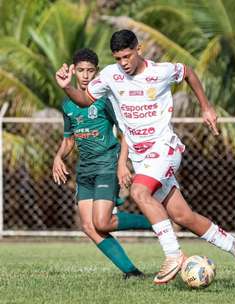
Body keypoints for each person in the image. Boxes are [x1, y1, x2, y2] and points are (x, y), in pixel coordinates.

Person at [55, 30, 235, 285]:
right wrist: (67, 87)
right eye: (118, 58)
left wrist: (206, 106)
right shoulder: (109, 76)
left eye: (127, 56)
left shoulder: (159, 72)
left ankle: (173, 255)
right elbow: (84, 100)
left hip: (164, 148)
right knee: (183, 216)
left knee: (140, 192)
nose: (124, 63)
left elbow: (188, 72)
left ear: (138, 49)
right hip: (142, 158)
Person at [52, 48, 152, 279]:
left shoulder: (105, 99)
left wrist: (122, 163)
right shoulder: (68, 105)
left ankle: (155, 222)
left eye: (90, 71)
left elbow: (127, 130)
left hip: (107, 164)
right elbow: (69, 140)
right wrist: (58, 157)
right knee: (89, 226)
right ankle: (132, 273)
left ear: (97, 73)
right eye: (81, 70)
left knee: (102, 221)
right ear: (74, 71)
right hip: (85, 170)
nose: (85, 75)